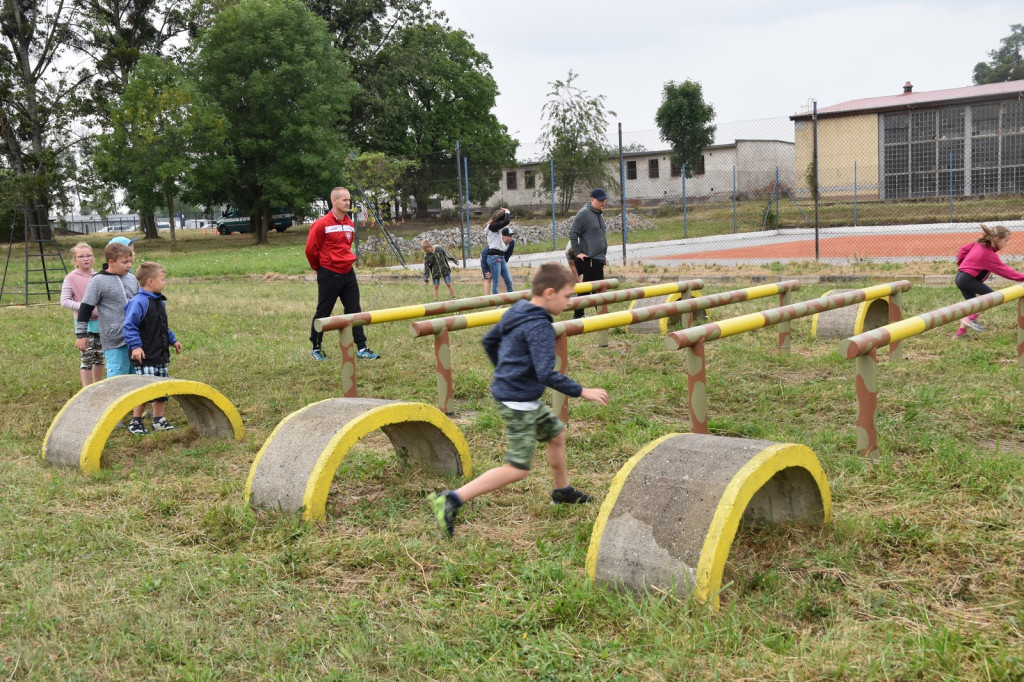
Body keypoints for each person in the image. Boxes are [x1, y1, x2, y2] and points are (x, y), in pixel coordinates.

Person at [428, 263, 610, 538]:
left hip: (514, 393)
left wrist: (506, 371)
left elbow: (490, 341)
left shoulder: (519, 309)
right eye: (567, 296)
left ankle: (562, 491)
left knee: (556, 434)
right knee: (517, 468)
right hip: (519, 402)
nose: (569, 302)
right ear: (550, 293)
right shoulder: (541, 327)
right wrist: (581, 390)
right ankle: (451, 499)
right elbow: (546, 373)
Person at [306, 186, 380, 361]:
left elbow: (346, 246)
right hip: (329, 274)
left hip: (348, 272)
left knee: (355, 310)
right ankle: (316, 348)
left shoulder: (349, 223)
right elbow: (310, 250)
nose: (348, 203)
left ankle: (362, 348)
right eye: (344, 200)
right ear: (334, 201)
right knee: (324, 311)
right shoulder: (321, 224)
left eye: (349, 200)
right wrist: (320, 267)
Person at [122, 262, 183, 435]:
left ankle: (158, 420)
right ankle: (136, 422)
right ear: (150, 281)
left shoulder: (158, 301)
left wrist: (172, 340)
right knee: (145, 389)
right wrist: (135, 347)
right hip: (145, 355)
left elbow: (162, 325)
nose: (165, 282)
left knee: (161, 388)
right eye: (162, 279)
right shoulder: (139, 302)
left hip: (160, 353)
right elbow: (129, 326)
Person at [76, 241, 139, 380]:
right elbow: (85, 308)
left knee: (135, 378)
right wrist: (81, 334)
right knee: (118, 378)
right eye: (125, 262)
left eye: (130, 261)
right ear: (111, 262)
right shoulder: (98, 281)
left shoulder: (132, 279)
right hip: (114, 340)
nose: (129, 265)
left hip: (135, 339)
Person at [953, 224, 1024, 338]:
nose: (1007, 244)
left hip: (960, 277)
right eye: (1005, 241)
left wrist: (962, 265)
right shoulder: (989, 254)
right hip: (967, 279)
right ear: (997, 239)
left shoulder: (978, 244)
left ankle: (960, 333)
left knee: (973, 305)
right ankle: (970, 318)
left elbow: (963, 250)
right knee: (992, 298)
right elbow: (1007, 272)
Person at [61, 243, 104, 387]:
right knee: (87, 357)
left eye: (88, 255)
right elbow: (65, 301)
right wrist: (84, 307)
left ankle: (97, 385)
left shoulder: (98, 276)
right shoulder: (71, 278)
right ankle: (87, 389)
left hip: (101, 323)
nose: (85, 259)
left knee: (99, 356)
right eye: (81, 256)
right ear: (75, 260)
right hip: (84, 325)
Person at [568, 188, 609, 319]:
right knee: (590, 288)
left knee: (594, 287)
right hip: (590, 258)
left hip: (598, 258)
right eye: (600, 200)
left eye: (604, 200)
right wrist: (578, 252)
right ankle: (583, 314)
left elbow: (599, 237)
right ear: (592, 199)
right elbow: (573, 234)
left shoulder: (599, 214)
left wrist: (603, 255)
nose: (603, 202)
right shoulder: (584, 213)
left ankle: (595, 314)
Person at [484, 207, 514, 294]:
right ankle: (496, 301)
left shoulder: (496, 228)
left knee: (509, 281)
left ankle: (512, 300)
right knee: (496, 284)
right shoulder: (492, 227)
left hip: (501, 257)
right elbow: (507, 221)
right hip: (494, 258)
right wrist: (507, 211)